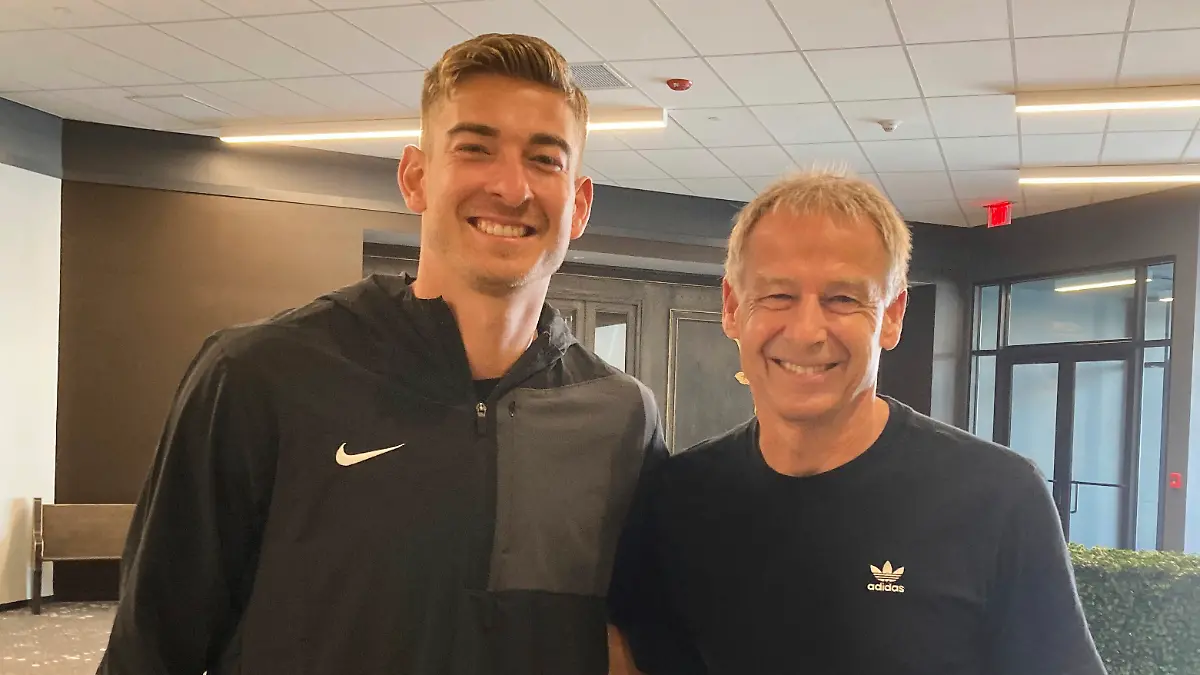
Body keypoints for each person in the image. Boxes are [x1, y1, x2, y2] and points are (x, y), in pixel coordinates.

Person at [98, 33, 667, 675]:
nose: (512, 187)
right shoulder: (259, 376)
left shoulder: (622, 421)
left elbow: (641, 643)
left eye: (545, 160)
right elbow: (148, 653)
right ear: (416, 177)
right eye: (476, 149)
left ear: (580, 204)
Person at [606, 170, 1108, 675]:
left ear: (892, 315)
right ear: (734, 309)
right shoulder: (681, 497)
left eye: (842, 299)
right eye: (778, 295)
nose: (806, 332)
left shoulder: (996, 497)